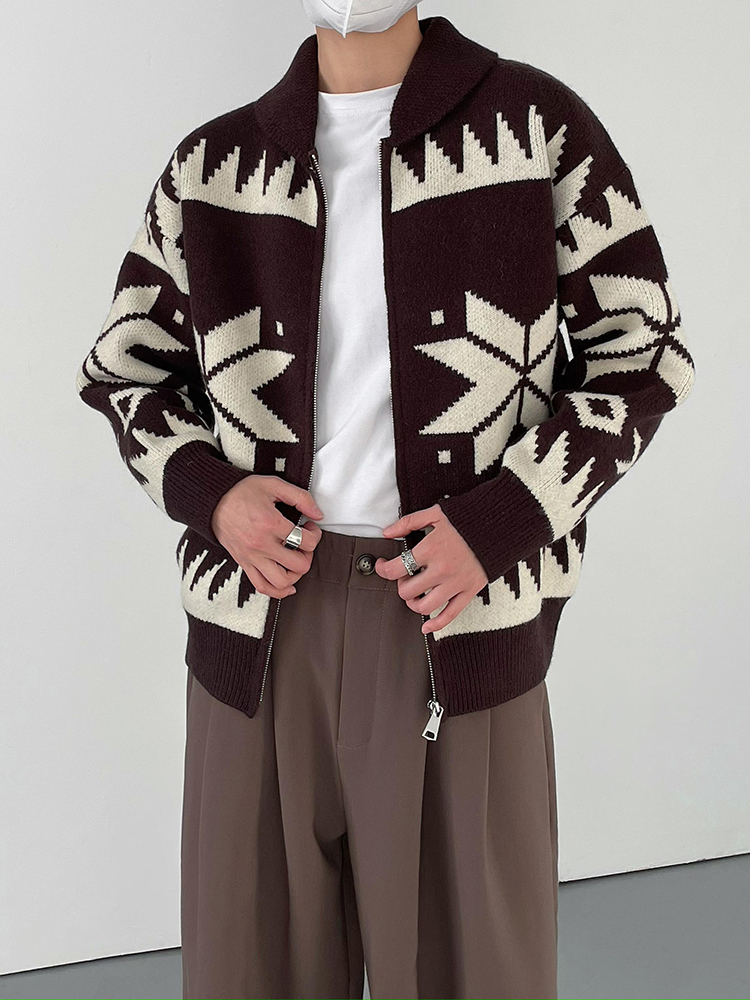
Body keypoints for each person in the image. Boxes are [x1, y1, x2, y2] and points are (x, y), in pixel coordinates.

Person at [75, 2, 696, 997]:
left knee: (475, 971)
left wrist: (500, 524)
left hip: (457, 614)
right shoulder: (212, 166)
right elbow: (124, 371)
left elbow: (645, 353)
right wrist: (216, 497)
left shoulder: (538, 127)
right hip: (258, 623)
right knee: (250, 970)